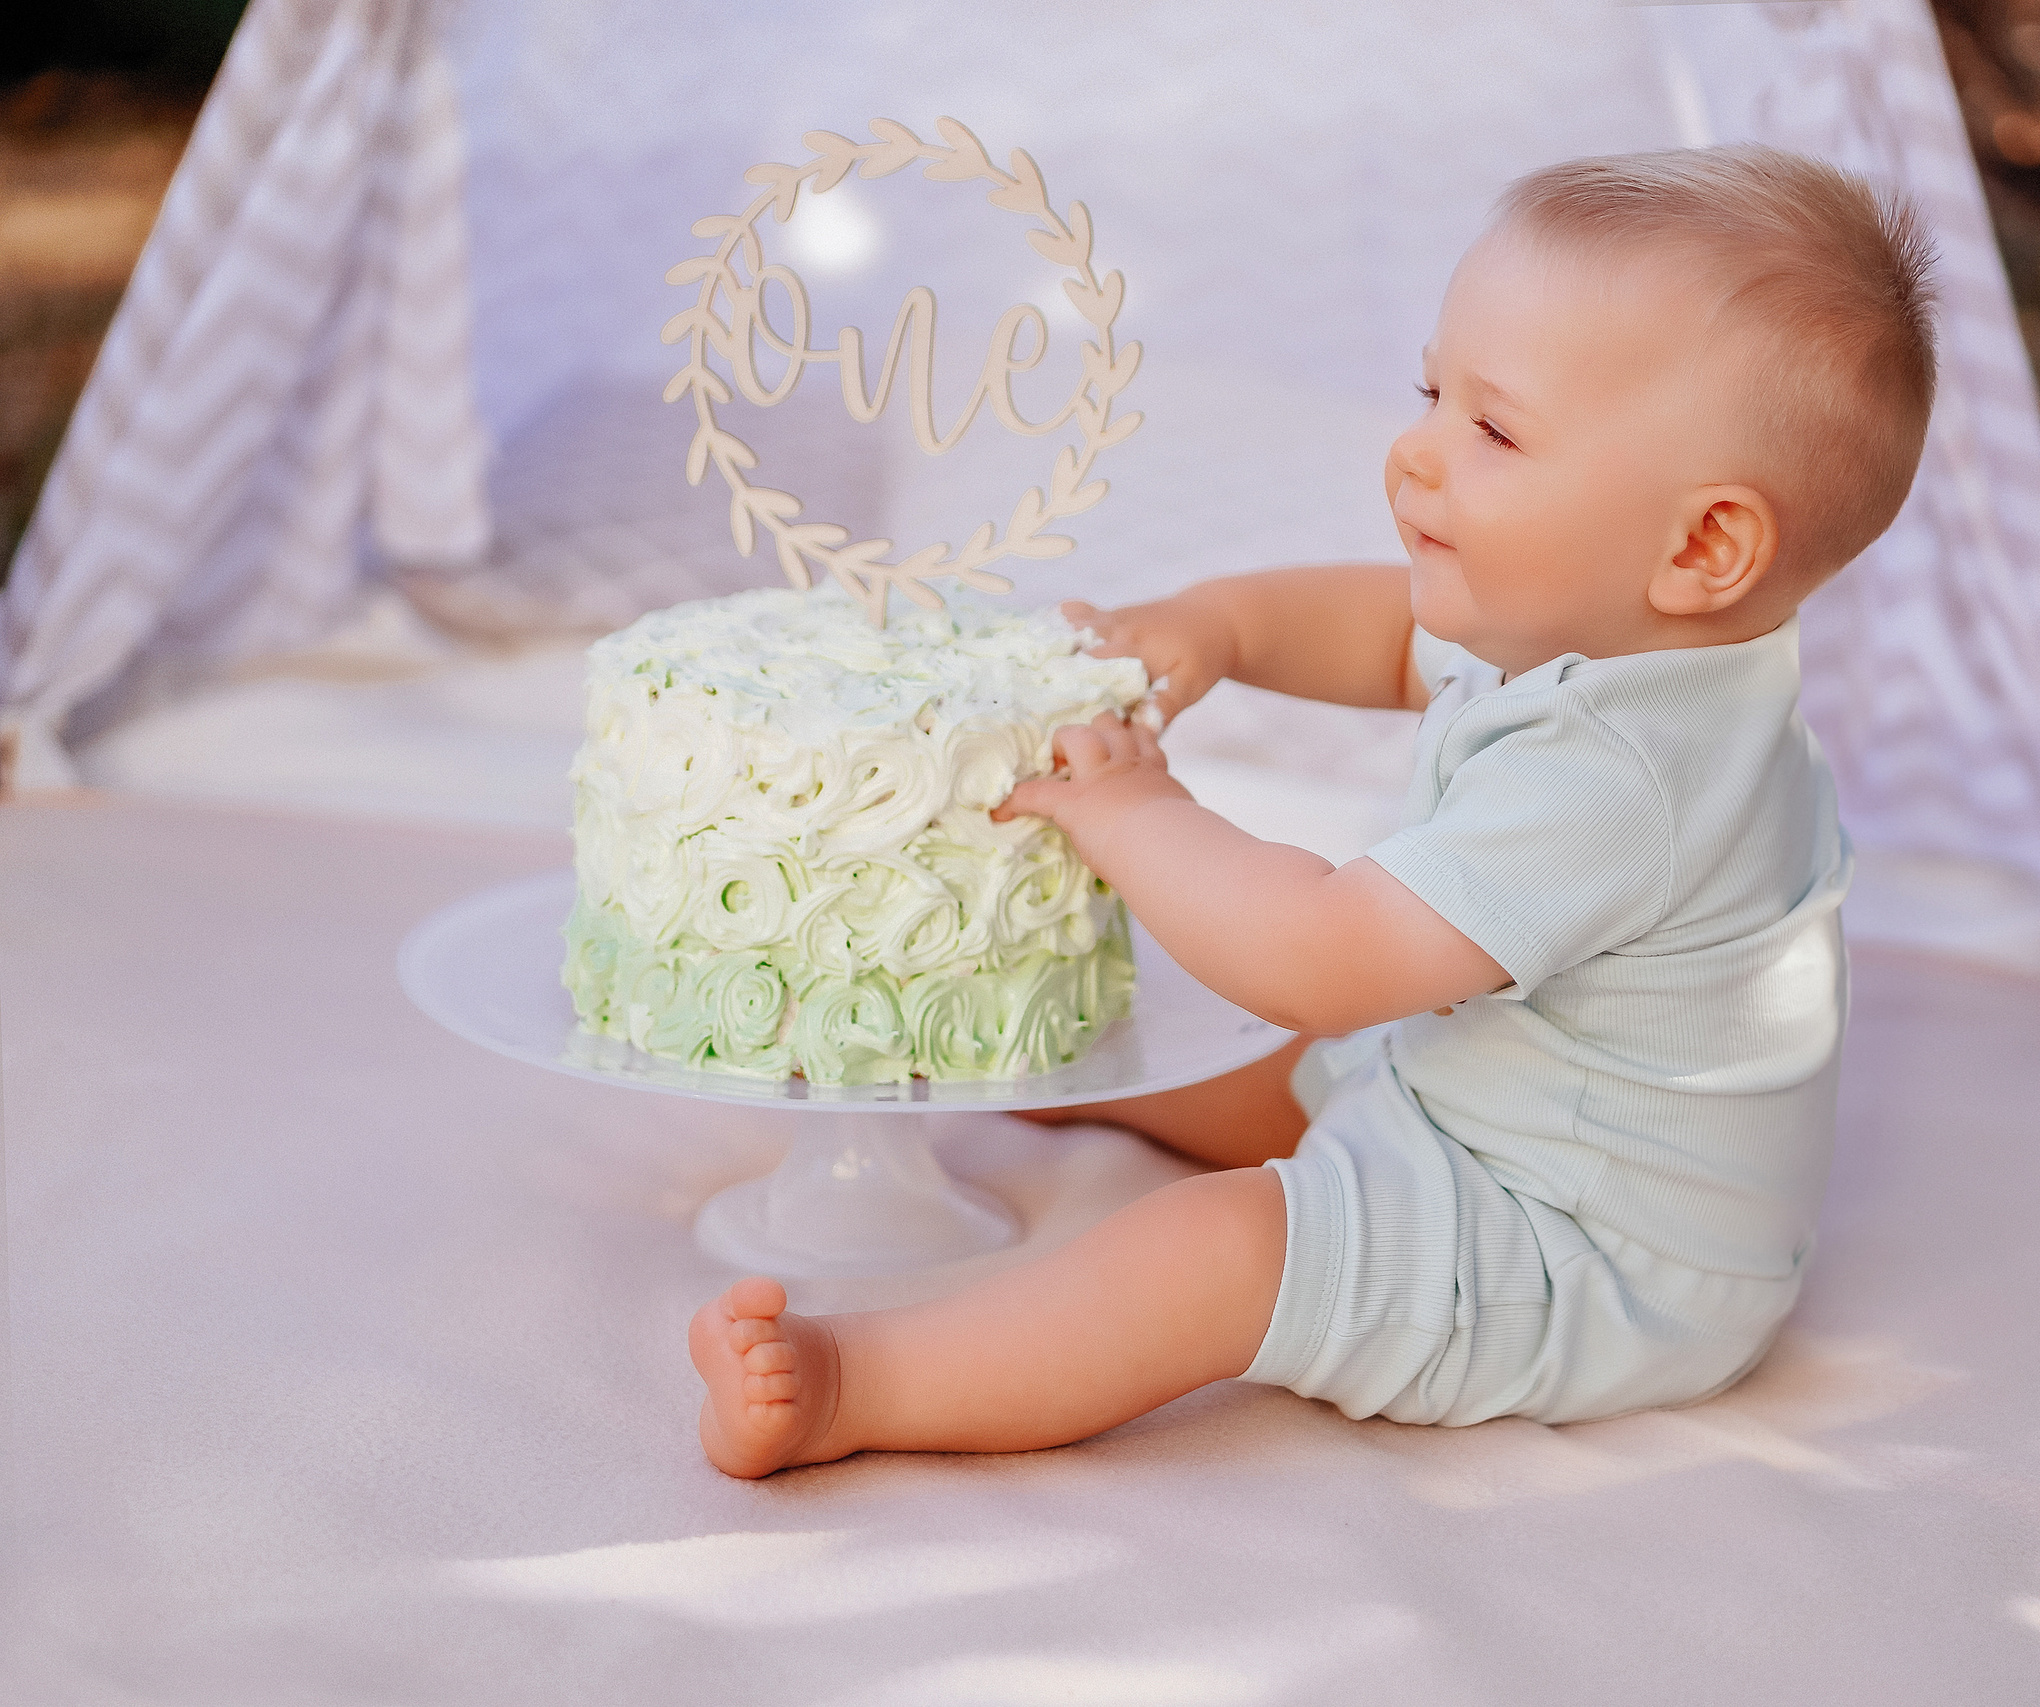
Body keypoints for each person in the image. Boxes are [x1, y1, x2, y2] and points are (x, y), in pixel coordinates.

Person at [688, 143, 1938, 1475]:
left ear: (1701, 545)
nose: (1415, 453)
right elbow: (1392, 637)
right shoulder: (1615, 628)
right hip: (1471, 1101)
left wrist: (1133, 808)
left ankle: (855, 1384)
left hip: (1577, 1254)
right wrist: (1220, 624)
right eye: (1432, 393)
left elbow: (1323, 959)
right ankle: (1078, 1086)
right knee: (1229, 1054)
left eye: (1493, 430)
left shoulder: (1627, 773)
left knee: (1225, 1249)